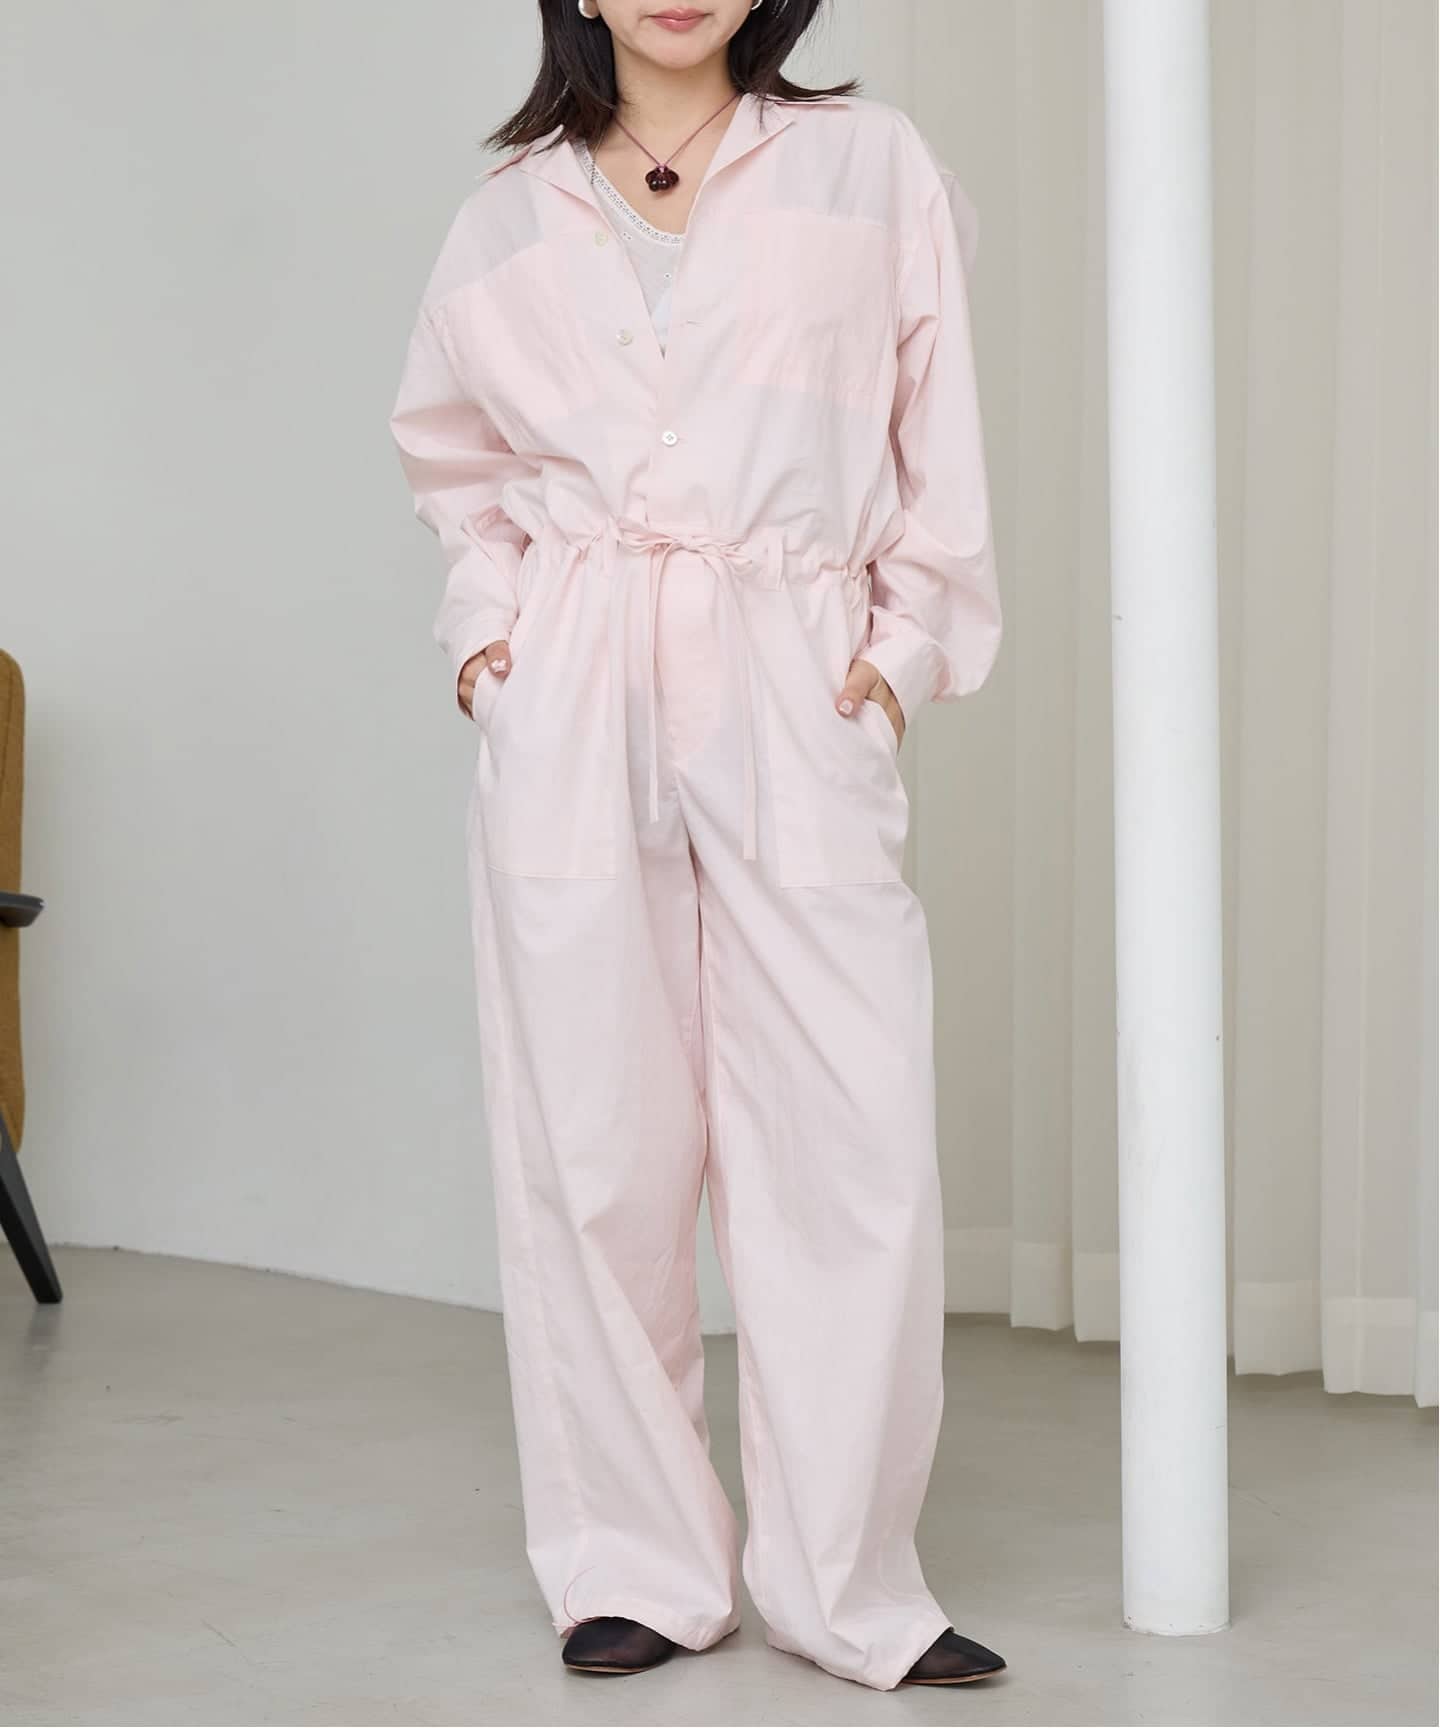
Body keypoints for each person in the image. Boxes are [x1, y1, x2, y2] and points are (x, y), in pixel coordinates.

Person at [389, 0, 1005, 1693]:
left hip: (791, 670)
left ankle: (847, 1584)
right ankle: (637, 1567)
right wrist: (489, 644)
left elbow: (938, 446)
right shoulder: (507, 216)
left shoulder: (870, 169)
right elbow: (456, 463)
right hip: (576, 686)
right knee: (596, 1146)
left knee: (848, 1139)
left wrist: (897, 661)